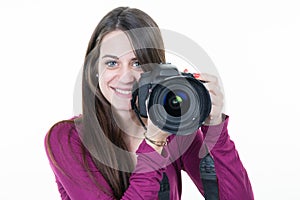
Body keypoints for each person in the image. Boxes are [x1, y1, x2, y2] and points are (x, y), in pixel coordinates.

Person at [44, 6, 254, 200]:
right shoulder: (68, 139)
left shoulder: (173, 127)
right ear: (95, 70)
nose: (125, 76)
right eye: (112, 63)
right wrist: (154, 144)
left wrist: (215, 128)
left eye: (137, 63)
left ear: (156, 69)